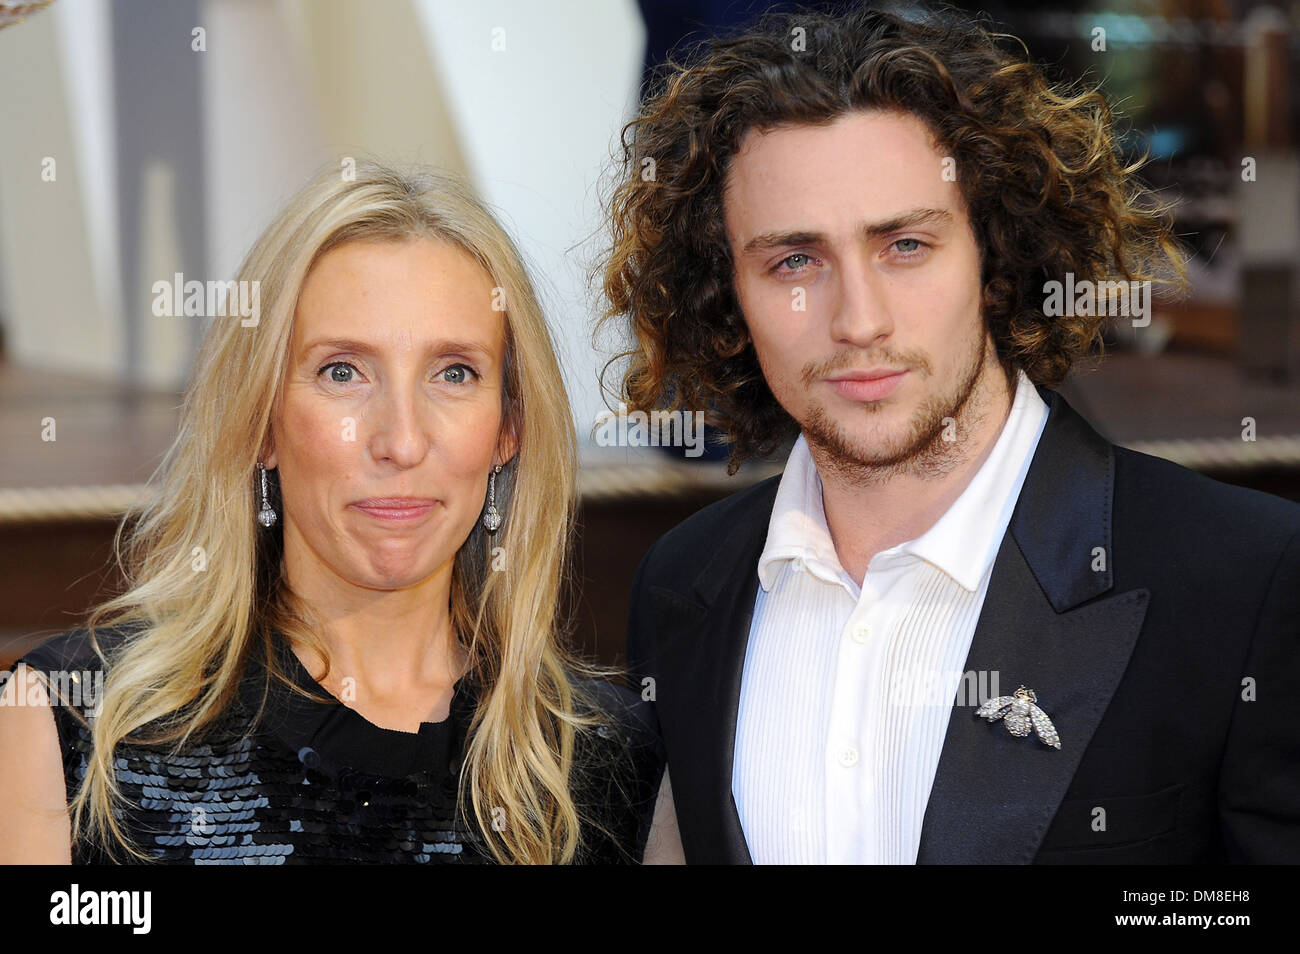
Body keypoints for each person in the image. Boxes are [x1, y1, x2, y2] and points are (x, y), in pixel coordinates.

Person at [600, 3, 1300, 863]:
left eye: (904, 245)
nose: (859, 319)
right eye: (795, 261)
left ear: (996, 255)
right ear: (725, 296)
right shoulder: (681, 588)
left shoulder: (1247, 580)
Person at [0, 159, 665, 865]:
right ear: (261, 422)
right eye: (342, 371)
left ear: (509, 428)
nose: (401, 441)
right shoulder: (79, 724)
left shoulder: (611, 761)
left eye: (454, 373)